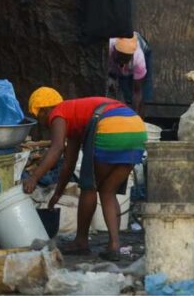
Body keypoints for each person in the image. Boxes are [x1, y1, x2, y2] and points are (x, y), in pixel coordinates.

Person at [22, 87, 147, 261]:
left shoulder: (57, 113)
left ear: (44, 111)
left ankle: (81, 242)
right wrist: (58, 193)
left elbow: (57, 148)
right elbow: (69, 163)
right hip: (136, 128)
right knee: (107, 191)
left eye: (39, 116)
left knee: (89, 187)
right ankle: (114, 245)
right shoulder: (74, 118)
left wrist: (34, 178)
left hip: (110, 126)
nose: (44, 122)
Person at [107, 32, 152, 117]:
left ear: (131, 56)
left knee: (143, 93)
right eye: (120, 58)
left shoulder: (138, 59)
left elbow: (137, 91)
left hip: (143, 49)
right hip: (114, 59)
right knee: (124, 92)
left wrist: (134, 116)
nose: (122, 62)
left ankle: (138, 121)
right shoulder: (107, 48)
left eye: (125, 59)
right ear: (115, 51)